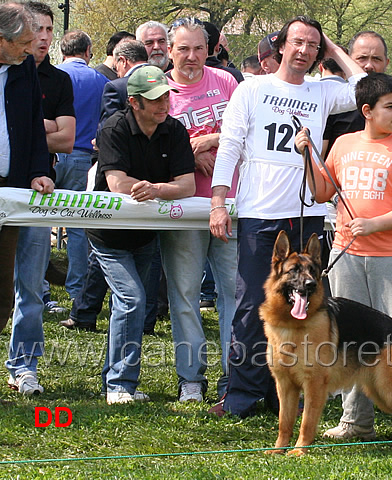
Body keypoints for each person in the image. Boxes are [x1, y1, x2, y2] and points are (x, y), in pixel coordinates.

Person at [209, 15, 366, 418]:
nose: (303, 51)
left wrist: (334, 49)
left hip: (308, 215)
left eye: (312, 46)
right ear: (281, 45)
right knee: (252, 305)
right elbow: (229, 147)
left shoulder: (322, 91)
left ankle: (290, 392)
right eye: (297, 42)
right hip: (261, 215)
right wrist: (218, 201)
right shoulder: (252, 88)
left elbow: (368, 86)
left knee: (307, 305)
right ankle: (241, 395)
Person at [295, 72, 392, 442]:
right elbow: (321, 192)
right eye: (390, 107)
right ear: (367, 110)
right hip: (347, 257)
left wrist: (375, 224)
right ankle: (355, 421)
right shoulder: (343, 144)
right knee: (349, 341)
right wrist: (308, 155)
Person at [87, 65, 195, 404]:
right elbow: (117, 184)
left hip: (147, 235)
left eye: (166, 96)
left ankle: (120, 382)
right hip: (108, 234)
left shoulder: (174, 130)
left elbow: (187, 185)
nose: (163, 104)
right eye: (155, 99)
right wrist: (159, 189)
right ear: (134, 102)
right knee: (132, 299)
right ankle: (118, 384)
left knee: (137, 302)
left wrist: (157, 189)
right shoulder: (113, 128)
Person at [163, 17, 239, 402]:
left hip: (231, 203)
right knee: (185, 292)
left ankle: (234, 376)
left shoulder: (226, 82)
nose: (191, 57)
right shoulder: (162, 89)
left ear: (208, 49)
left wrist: (207, 140)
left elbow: (247, 131)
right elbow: (156, 149)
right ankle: (191, 377)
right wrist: (189, 157)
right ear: (169, 50)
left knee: (234, 293)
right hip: (184, 206)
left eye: (198, 48)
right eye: (183, 49)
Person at [59, 39, 149, 332]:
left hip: (107, 174)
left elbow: (109, 132)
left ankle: (83, 308)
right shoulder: (101, 80)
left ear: (121, 61)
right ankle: (142, 317)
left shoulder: (114, 85)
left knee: (96, 242)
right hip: (129, 178)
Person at [0, 2, 55, 395]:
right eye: (21, 43)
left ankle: (19, 367)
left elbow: (36, 128)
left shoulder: (25, 71)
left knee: (5, 293)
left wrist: (41, 171)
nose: (29, 49)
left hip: (14, 194)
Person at [55, 30, 109, 301]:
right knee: (77, 227)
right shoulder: (100, 80)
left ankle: (40, 290)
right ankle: (77, 290)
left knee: (37, 223)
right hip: (82, 156)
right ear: (88, 50)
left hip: (50, 152)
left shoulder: (52, 75)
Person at [322, 31, 390, 156]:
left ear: (387, 63)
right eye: (362, 58)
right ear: (347, 61)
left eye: (376, 59)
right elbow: (318, 160)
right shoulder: (334, 103)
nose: (369, 66)